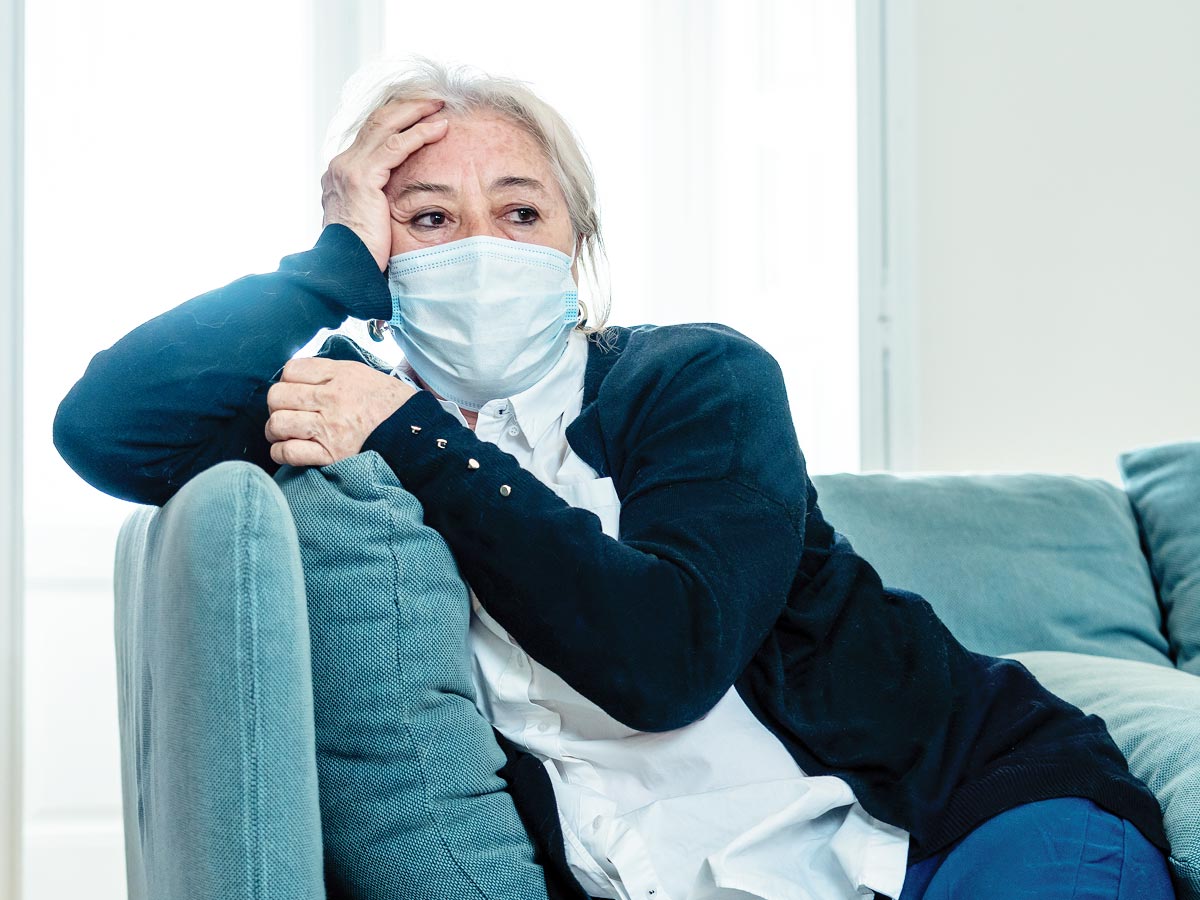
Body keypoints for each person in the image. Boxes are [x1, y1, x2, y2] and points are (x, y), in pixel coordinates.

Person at [53, 59, 1174, 900]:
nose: (481, 245)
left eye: (521, 211)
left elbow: (666, 660)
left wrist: (417, 438)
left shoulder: (696, 377)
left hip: (960, 824)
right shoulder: (343, 408)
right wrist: (331, 263)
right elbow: (107, 428)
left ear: (576, 246)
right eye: (429, 218)